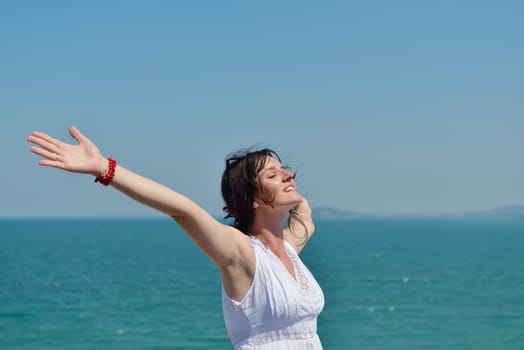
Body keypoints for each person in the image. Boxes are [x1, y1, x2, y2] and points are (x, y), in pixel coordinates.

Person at [27, 126, 325, 349]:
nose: (286, 175)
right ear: (252, 200)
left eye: (284, 170)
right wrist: (106, 169)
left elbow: (305, 221)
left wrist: (293, 196)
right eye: (272, 176)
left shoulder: (288, 248)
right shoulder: (241, 253)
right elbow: (183, 210)